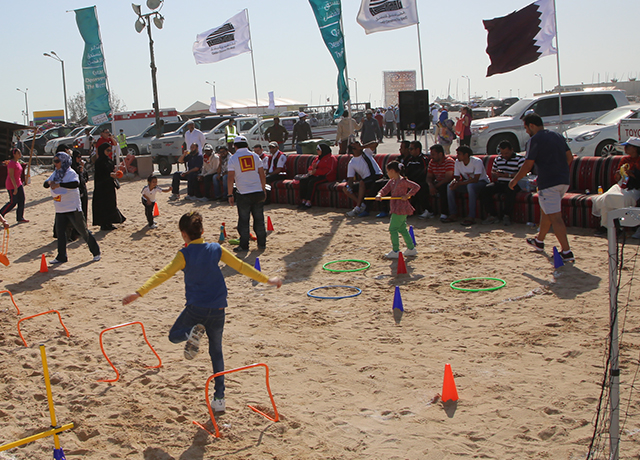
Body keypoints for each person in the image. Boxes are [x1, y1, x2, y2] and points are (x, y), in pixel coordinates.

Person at [121, 211, 282, 414]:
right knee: (216, 352)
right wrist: (267, 279)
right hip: (218, 308)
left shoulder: (184, 255)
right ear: (202, 231)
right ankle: (220, 398)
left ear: (183, 234)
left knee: (174, 336)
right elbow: (241, 266)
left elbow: (163, 274)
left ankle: (191, 333)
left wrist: (139, 292)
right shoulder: (216, 249)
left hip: (196, 308)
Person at [509, 113, 574, 262]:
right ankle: (539, 241)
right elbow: (570, 157)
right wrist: (560, 171)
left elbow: (528, 164)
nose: (526, 131)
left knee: (555, 217)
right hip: (563, 181)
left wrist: (514, 180)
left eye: (526, 128)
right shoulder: (558, 136)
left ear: (531, 125)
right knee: (547, 211)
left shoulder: (535, 140)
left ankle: (566, 251)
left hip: (549, 183)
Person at [45, 150, 101, 264]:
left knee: (83, 231)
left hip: (72, 207)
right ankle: (61, 256)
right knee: (61, 233)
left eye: (57, 161)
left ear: (64, 162)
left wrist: (59, 184)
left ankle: (96, 252)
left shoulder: (71, 173)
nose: (55, 163)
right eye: (54, 161)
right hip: (60, 208)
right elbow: (45, 183)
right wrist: (50, 182)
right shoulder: (56, 173)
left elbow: (75, 184)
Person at [590, 137, 640, 237]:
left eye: (628, 146)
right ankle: (605, 225)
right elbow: (617, 179)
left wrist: (632, 174)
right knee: (607, 197)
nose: (625, 149)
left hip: (635, 187)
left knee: (623, 198)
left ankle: (620, 226)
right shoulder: (625, 159)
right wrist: (618, 174)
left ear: (635, 148)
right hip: (621, 185)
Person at [227, 136, 267, 253]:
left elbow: (230, 178)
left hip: (244, 193)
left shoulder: (233, 158)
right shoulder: (255, 156)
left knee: (244, 221)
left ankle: (244, 245)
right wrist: (263, 189)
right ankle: (262, 243)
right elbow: (262, 175)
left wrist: (230, 194)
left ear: (235, 146)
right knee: (259, 219)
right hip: (258, 192)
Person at [375, 161, 421, 259]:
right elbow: (385, 189)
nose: (387, 173)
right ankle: (411, 248)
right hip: (395, 207)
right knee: (402, 228)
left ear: (392, 171)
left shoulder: (403, 181)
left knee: (393, 229)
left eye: (388, 171)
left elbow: (416, 187)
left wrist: (408, 195)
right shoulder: (391, 181)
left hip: (401, 208)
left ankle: (396, 250)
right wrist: (379, 194)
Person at [480, 140, 526, 226]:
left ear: (512, 150)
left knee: (510, 191)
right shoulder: (498, 159)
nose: (504, 155)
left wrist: (507, 175)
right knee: (485, 189)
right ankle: (492, 215)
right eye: (502, 153)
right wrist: (496, 174)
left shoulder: (520, 159)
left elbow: (522, 173)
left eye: (507, 153)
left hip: (513, 182)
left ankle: (506, 215)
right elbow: (493, 171)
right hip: (500, 182)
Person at [443, 145, 489, 226]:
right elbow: (457, 177)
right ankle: (453, 214)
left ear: (466, 155)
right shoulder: (458, 162)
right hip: (467, 183)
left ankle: (471, 216)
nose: (457, 156)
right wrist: (454, 182)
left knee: (470, 186)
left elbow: (476, 179)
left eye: (459, 154)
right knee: (449, 187)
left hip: (482, 183)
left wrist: (459, 183)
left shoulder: (477, 161)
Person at [342, 140, 383, 217]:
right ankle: (362, 205)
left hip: (377, 176)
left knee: (362, 182)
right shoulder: (352, 163)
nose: (358, 147)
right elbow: (350, 179)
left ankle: (357, 207)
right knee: (345, 188)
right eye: (356, 147)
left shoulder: (366, 152)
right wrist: (349, 186)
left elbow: (375, 143)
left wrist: (362, 147)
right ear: (353, 150)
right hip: (366, 180)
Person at [92, 143, 126, 231]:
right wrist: (110, 175)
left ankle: (109, 222)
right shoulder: (99, 162)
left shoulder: (108, 160)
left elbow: (110, 169)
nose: (109, 152)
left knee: (111, 203)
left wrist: (115, 172)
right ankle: (104, 224)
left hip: (109, 186)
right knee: (103, 205)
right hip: (101, 187)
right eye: (107, 150)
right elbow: (100, 174)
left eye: (110, 150)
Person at [298, 144, 337, 209]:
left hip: (327, 176)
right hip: (316, 175)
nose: (317, 151)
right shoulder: (317, 158)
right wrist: (312, 170)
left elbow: (329, 170)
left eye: (318, 149)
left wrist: (316, 171)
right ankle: (303, 200)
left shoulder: (331, 158)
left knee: (312, 182)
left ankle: (309, 201)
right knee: (303, 180)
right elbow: (311, 167)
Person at [425, 144, 455, 220]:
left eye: (433, 154)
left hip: (448, 182)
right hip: (437, 182)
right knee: (422, 186)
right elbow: (429, 177)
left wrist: (435, 186)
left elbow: (448, 178)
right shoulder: (432, 162)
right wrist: (431, 185)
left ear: (440, 154)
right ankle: (428, 210)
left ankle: (444, 213)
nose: (431, 156)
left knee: (443, 188)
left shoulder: (449, 161)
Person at [0, 148, 28, 223]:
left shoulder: (17, 162)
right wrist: (15, 187)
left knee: (21, 200)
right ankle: (1, 214)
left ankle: (20, 217)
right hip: (12, 184)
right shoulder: (11, 163)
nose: (20, 154)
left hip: (19, 183)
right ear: (14, 154)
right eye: (18, 153)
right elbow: (11, 176)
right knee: (13, 202)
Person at [403, 140, 429, 217]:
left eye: (411, 149)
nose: (409, 151)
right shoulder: (409, 159)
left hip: (421, 181)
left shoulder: (423, 159)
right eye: (409, 149)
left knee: (420, 187)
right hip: (409, 181)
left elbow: (425, 171)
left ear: (417, 149)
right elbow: (404, 170)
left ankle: (427, 210)